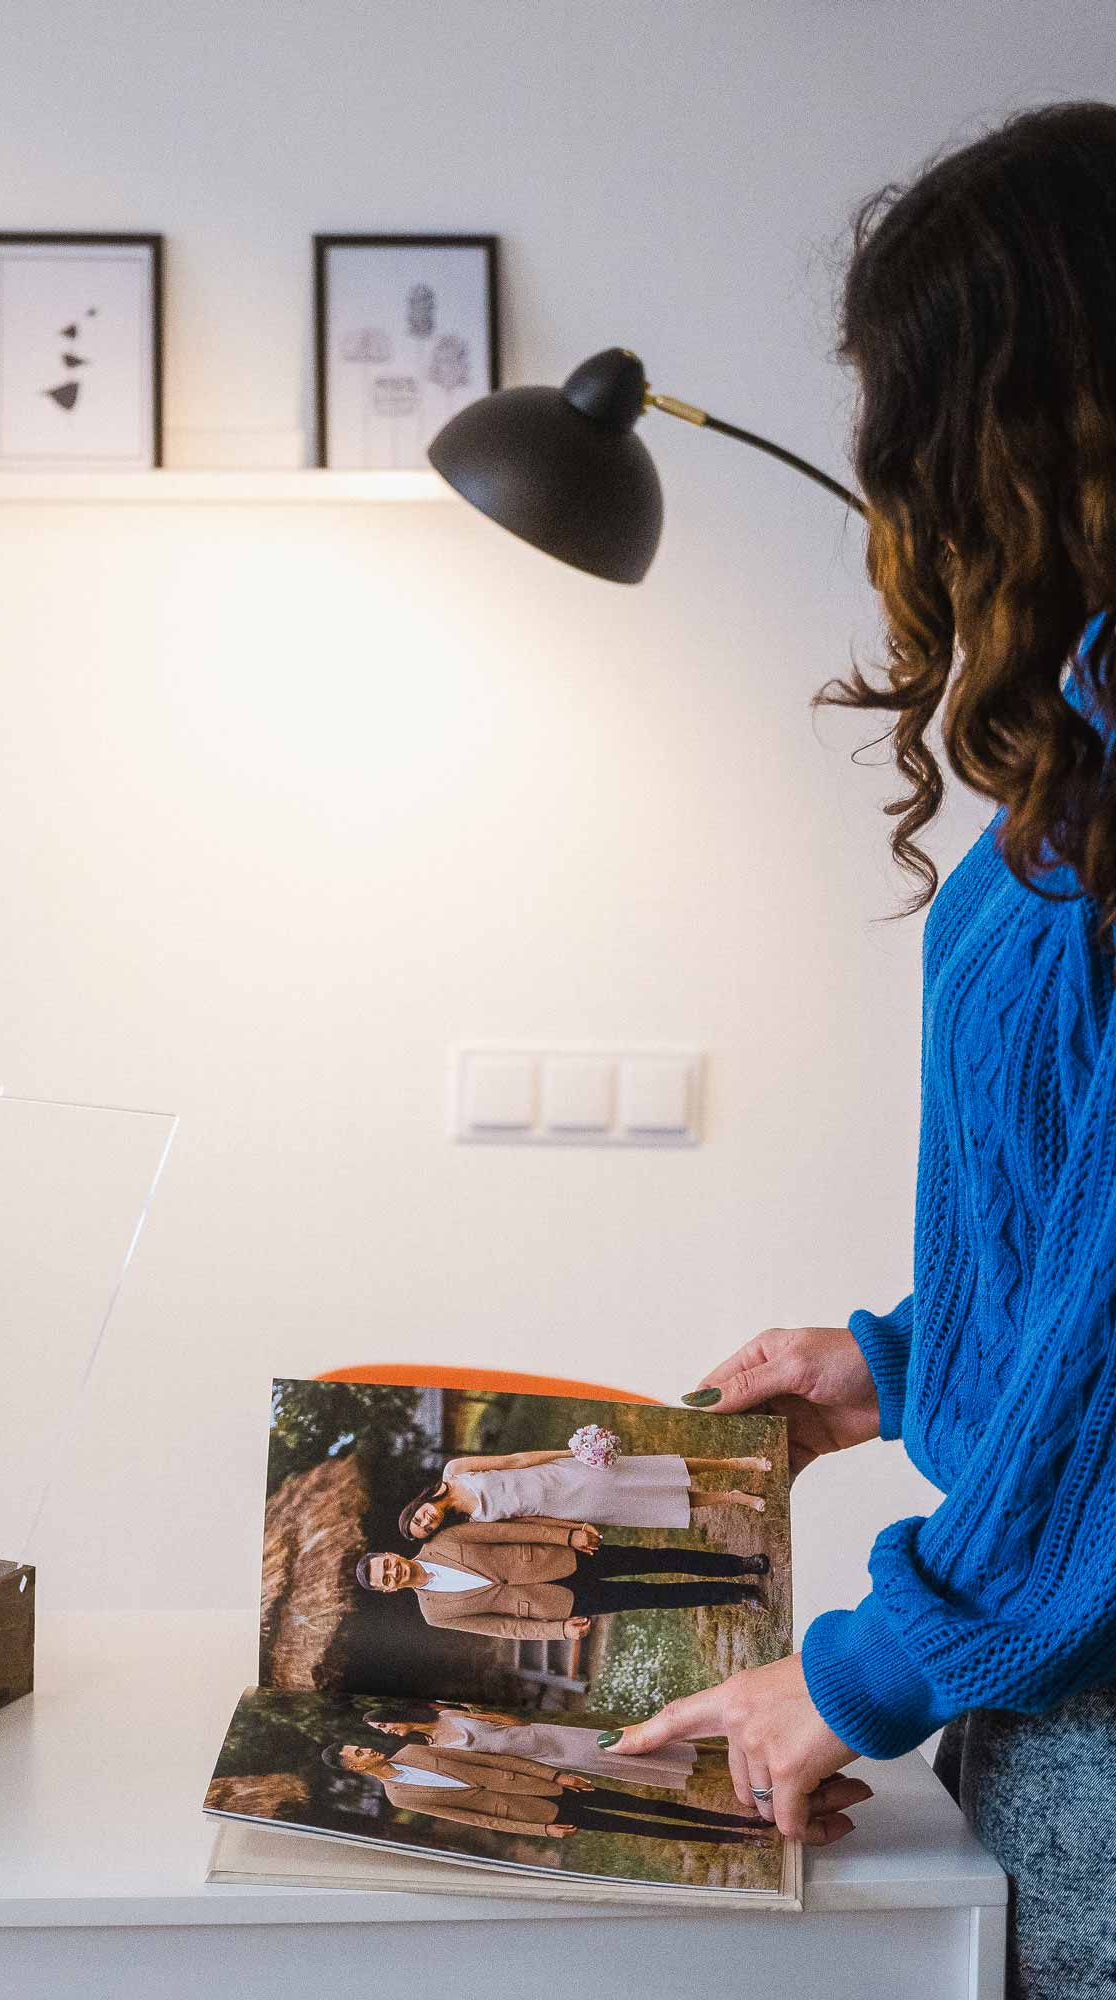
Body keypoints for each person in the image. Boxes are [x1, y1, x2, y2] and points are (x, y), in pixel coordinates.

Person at [599, 103, 1116, 1999]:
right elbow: (1085, 1217)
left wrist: (856, 1676)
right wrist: (904, 1361)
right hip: (1057, 1684)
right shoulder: (1084, 746)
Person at [355, 1518, 767, 1641]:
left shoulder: (445, 1539)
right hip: (559, 1605)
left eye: (386, 1564)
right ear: (389, 1590)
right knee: (650, 1596)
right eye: (385, 1579)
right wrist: (558, 1632)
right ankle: (736, 1595)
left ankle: (740, 1564)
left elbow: (509, 1532)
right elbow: (504, 1628)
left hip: (561, 1558)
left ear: (392, 1555)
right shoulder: (435, 1615)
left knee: (654, 1557)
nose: (393, 1571)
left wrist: (565, 1535)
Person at [320, 1739, 785, 1847]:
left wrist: (555, 1776)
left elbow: (492, 1763)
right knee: (635, 1826)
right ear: (357, 1769)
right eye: (357, 1755)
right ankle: (735, 1838)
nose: (365, 1749)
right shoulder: (402, 1799)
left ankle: (742, 1820)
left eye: (359, 1745)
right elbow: (477, 1818)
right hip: (531, 1811)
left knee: (638, 1802)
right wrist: (540, 1827)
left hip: (541, 1784)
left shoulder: (412, 1748)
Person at [397, 1446, 770, 1542]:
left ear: (419, 1506)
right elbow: (530, 1520)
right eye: (425, 1529)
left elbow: (515, 1459)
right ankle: (734, 1497)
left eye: (418, 1518)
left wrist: (567, 1454)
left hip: (562, 1474)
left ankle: (736, 1463)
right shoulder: (474, 1519)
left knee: (654, 1471)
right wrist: (570, 1528)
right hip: (571, 1505)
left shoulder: (455, 1472)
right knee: (656, 1504)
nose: (426, 1521)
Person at [363, 1698, 699, 1791]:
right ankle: (687, 1768)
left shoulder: (448, 1713)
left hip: (537, 1736)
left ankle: (693, 1747)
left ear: (396, 1714)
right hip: (537, 1756)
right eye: (381, 1729)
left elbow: (501, 1719)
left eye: (385, 1723)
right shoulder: (434, 1747)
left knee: (607, 1744)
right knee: (609, 1762)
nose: (387, 1730)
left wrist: (522, 1730)